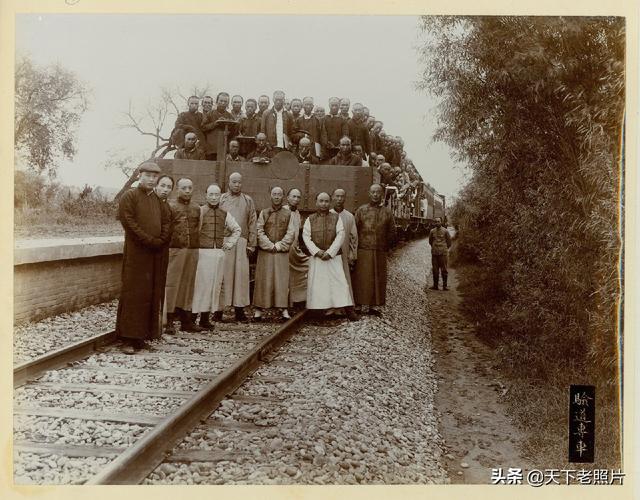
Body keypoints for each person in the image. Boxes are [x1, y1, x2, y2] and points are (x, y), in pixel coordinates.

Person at [116, 162, 172, 354]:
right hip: (136, 255)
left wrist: (161, 240)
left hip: (153, 254)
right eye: (148, 175)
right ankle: (128, 339)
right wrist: (148, 240)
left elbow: (166, 222)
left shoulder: (157, 200)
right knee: (134, 294)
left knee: (149, 295)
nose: (151, 179)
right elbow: (128, 222)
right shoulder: (130, 196)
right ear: (140, 175)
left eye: (154, 176)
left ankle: (141, 336)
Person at [191, 184, 242, 329]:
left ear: (221, 196)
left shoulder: (224, 213)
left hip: (218, 254)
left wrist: (229, 244)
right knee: (200, 286)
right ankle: (193, 318)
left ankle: (205, 319)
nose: (214, 198)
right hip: (202, 253)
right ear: (206, 195)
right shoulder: (200, 211)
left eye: (217, 195)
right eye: (211, 194)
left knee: (214, 286)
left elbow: (237, 229)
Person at [302, 192, 358, 321]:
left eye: (326, 201)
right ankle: (317, 312)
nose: (324, 204)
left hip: (333, 257)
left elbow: (341, 235)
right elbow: (306, 236)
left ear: (329, 202)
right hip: (317, 258)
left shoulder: (336, 218)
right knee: (318, 284)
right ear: (316, 202)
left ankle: (348, 309)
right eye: (321, 201)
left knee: (340, 283)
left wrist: (330, 252)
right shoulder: (310, 219)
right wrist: (317, 252)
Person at [351, 184, 396, 316]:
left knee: (377, 278)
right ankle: (358, 305)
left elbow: (392, 231)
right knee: (361, 278)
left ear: (382, 194)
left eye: (378, 192)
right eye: (373, 192)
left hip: (380, 250)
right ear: (369, 194)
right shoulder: (361, 210)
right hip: (363, 249)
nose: (375, 194)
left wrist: (385, 247)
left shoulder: (387, 211)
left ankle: (372, 306)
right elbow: (354, 231)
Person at [218, 172, 257, 322]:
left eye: (239, 182)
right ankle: (220, 310)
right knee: (223, 275)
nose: (237, 185)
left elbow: (252, 221)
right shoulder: (222, 199)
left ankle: (239, 310)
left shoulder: (248, 200)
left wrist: (251, 244)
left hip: (241, 242)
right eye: (234, 182)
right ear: (229, 182)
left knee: (240, 277)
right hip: (225, 242)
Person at [253, 186, 296, 321]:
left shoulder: (288, 214)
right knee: (263, 280)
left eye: (279, 194)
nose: (277, 196)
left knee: (281, 281)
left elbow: (291, 232)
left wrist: (279, 245)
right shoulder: (264, 213)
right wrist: (269, 245)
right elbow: (258, 230)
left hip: (281, 252)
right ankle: (259, 310)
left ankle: (283, 309)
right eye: (274, 194)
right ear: (270, 196)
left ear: (283, 197)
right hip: (266, 252)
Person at [165, 178, 201, 333]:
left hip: (192, 250)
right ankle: (169, 320)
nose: (187, 191)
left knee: (188, 284)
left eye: (190, 188)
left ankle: (186, 321)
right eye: (184, 188)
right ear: (177, 189)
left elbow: (198, 227)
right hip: (175, 250)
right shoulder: (170, 206)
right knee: (172, 284)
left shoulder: (196, 208)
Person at [330, 188, 358, 302]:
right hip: (330, 254)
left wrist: (353, 254)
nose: (339, 199)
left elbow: (354, 237)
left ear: (345, 198)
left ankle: (345, 304)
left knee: (344, 277)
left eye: (342, 196)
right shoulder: (328, 214)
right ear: (332, 197)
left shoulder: (349, 216)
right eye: (337, 196)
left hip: (344, 252)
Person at [283, 188, 308, 308]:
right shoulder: (283, 211)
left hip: (295, 250)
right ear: (287, 197)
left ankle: (298, 299)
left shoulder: (297, 214)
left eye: (298, 197)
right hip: (284, 249)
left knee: (307, 267)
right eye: (293, 196)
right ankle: (285, 304)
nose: (296, 199)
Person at [201, 92, 233, 160]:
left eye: (225, 101)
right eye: (221, 101)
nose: (223, 103)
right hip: (211, 149)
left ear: (228, 103)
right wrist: (215, 123)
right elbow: (203, 127)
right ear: (217, 101)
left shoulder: (230, 116)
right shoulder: (210, 114)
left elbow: (233, 131)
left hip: (224, 148)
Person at [428, 217, 452, 291]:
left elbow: (449, 242)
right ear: (434, 223)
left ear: (441, 222)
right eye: (436, 222)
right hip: (435, 254)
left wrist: (444, 248)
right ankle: (435, 286)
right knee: (435, 270)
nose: (437, 223)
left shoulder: (445, 231)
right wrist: (435, 247)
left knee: (444, 269)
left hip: (443, 254)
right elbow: (430, 241)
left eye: (438, 221)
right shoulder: (432, 231)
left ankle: (445, 286)